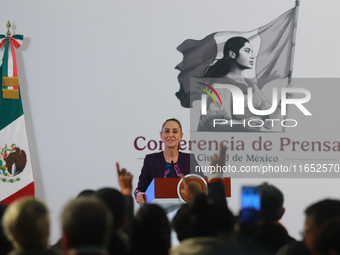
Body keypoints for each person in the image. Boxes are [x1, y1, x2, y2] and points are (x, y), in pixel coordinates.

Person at [198, 36, 280, 132]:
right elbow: (214, 124)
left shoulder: (251, 85)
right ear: (232, 54)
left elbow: (269, 124)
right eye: (247, 51)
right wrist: (243, 124)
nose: (252, 56)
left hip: (253, 143)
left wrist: (282, 104)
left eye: (251, 52)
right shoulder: (221, 85)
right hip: (230, 143)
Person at [134, 118, 199, 205]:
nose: (170, 135)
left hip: (185, 211)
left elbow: (202, 184)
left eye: (175, 132)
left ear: (181, 135)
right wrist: (140, 195)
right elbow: (140, 190)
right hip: (159, 212)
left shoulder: (189, 159)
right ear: (161, 135)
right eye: (167, 131)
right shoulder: (151, 160)